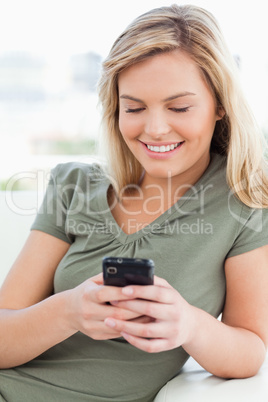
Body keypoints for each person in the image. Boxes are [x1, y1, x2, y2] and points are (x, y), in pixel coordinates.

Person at [1, 4, 268, 402]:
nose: (155, 128)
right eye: (134, 108)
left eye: (179, 107)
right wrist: (70, 311)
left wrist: (189, 326)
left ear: (220, 104)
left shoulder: (245, 203)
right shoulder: (73, 185)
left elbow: (250, 350)